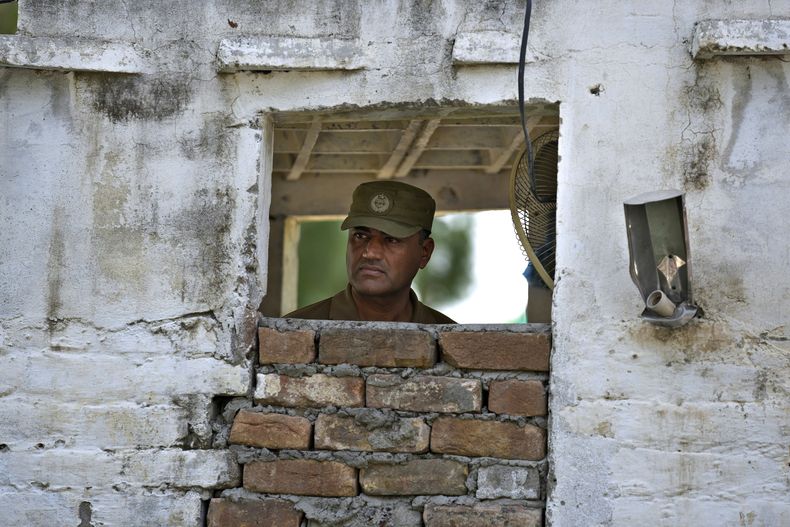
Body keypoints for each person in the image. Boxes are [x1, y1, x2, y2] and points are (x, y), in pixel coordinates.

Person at [285, 181, 456, 323]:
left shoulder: (450, 338)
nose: (370, 253)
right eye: (360, 236)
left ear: (425, 252)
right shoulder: (294, 331)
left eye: (391, 239)